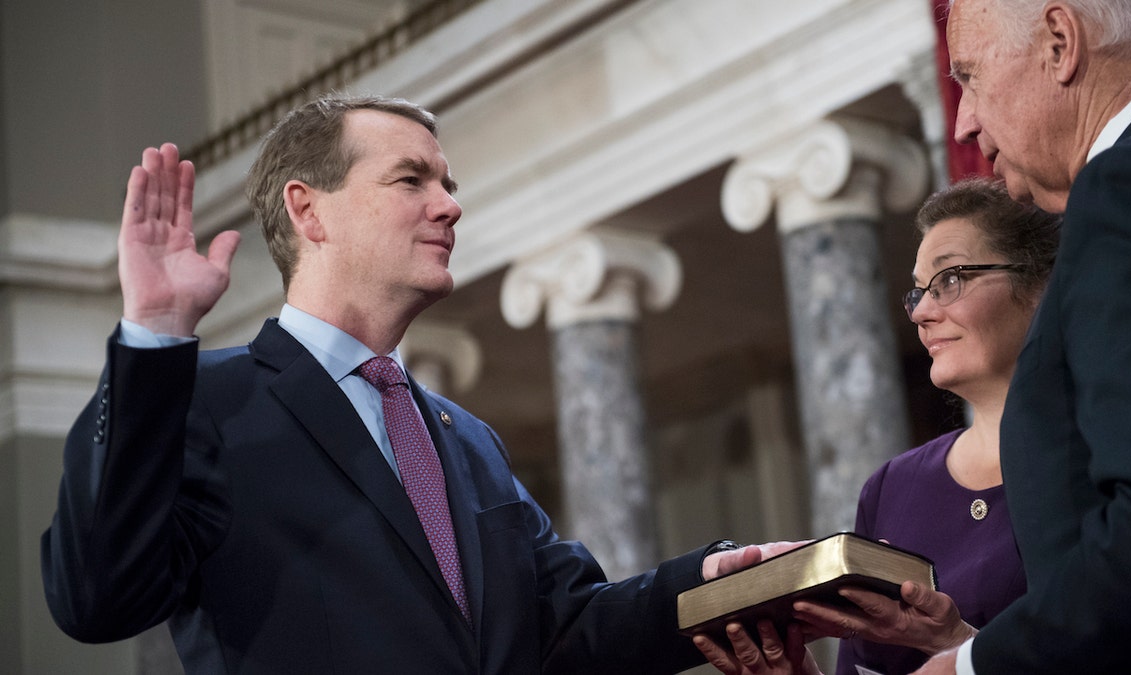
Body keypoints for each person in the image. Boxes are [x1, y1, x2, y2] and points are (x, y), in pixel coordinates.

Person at [40, 95, 780, 675]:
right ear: (308, 210)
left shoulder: (469, 440)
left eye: (448, 184)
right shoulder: (206, 401)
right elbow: (97, 597)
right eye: (411, 180)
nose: (450, 204)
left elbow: (565, 625)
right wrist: (156, 334)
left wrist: (718, 582)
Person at [915, 0, 1131, 673]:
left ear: (1059, 42)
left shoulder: (1127, 188)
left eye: (972, 78)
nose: (967, 122)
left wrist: (972, 666)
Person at [693, 178, 1060, 675]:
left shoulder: (1095, 456)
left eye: (950, 279)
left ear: (1040, 287)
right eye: (920, 292)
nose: (924, 313)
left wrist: (957, 643)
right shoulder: (893, 488)